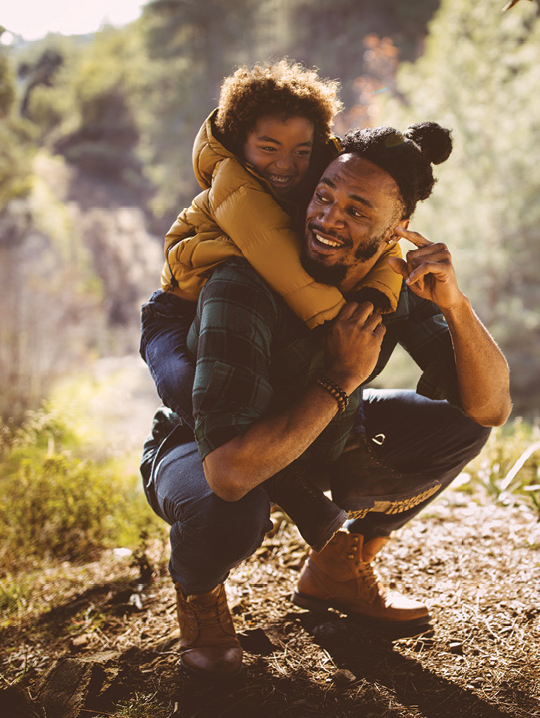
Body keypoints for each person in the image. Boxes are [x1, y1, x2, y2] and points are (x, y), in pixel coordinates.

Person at [139, 121, 512, 677]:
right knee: (230, 512)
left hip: (320, 434)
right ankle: (200, 594)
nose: (329, 218)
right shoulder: (241, 284)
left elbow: (491, 408)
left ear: (396, 232)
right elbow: (231, 471)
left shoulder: (388, 281)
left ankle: (341, 568)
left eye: (358, 211)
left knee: (458, 427)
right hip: (202, 446)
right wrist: (339, 379)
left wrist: (456, 307)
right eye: (324, 196)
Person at [140, 60, 404, 552]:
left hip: (229, 310)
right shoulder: (235, 188)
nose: (286, 164)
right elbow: (282, 263)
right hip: (174, 316)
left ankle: (342, 456)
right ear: (240, 143)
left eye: (302, 151)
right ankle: (289, 489)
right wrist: (336, 322)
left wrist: (376, 293)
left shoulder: (317, 187)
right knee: (185, 388)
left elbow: (386, 249)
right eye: (269, 148)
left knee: (315, 371)